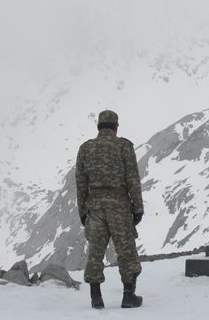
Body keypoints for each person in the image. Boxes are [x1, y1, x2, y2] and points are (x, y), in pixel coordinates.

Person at [75, 110, 144, 308]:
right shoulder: (124, 146)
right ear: (115, 127)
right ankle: (128, 296)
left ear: (98, 126)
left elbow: (80, 183)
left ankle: (96, 297)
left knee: (95, 252)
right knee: (126, 251)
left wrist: (83, 211)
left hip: (95, 206)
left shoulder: (85, 148)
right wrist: (137, 208)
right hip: (119, 205)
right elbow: (133, 179)